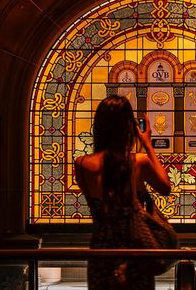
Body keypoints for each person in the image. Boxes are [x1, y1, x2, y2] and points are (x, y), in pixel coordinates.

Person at [74, 94, 172, 290]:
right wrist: (148, 144)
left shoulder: (82, 164)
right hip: (135, 252)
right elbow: (165, 187)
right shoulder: (138, 162)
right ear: (128, 126)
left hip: (101, 252)